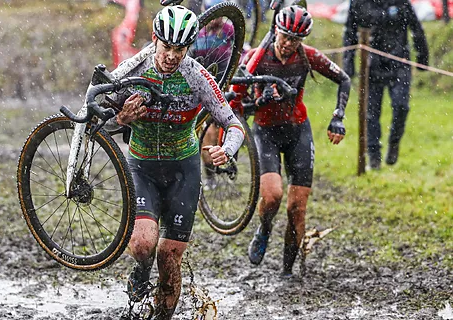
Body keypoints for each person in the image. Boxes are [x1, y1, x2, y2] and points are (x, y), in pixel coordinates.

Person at [105, 5, 246, 319]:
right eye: (166, 47)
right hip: (142, 167)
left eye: (180, 49)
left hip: (184, 170)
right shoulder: (132, 69)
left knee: (169, 259)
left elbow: (233, 123)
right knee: (143, 246)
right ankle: (141, 271)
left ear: (189, 47)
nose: (171, 55)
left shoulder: (197, 76)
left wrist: (228, 148)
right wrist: (121, 118)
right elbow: (94, 119)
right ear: (155, 39)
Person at [242, 5, 351, 277]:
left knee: (297, 208)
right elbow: (237, 104)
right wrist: (259, 101)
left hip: (297, 131)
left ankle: (287, 272)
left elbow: (344, 79)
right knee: (272, 196)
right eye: (285, 36)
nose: (289, 43)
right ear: (276, 30)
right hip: (265, 132)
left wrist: (338, 116)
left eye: (295, 39)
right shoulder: (257, 58)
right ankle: (265, 227)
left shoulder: (306, 56)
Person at [343, 0, 428, 169]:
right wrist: (349, 64)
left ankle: (394, 142)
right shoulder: (359, 3)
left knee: (401, 106)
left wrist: (422, 58)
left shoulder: (401, 2)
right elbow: (350, 32)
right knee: (371, 114)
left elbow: (416, 27)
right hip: (372, 65)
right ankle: (374, 157)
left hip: (399, 62)